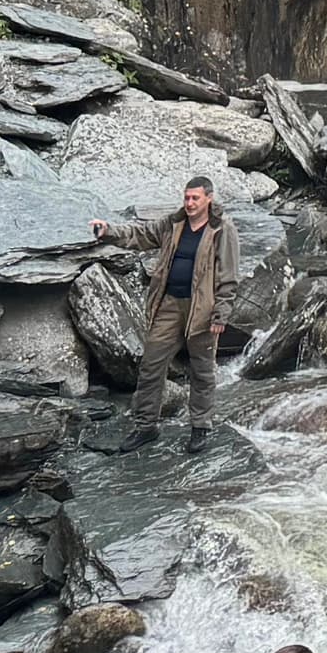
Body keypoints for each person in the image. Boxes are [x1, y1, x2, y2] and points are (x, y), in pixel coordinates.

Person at [87, 178, 240, 451]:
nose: (190, 203)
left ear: (209, 198)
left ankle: (200, 427)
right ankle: (146, 426)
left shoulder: (222, 229)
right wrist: (108, 231)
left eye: (195, 198)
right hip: (169, 304)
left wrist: (221, 314)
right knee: (151, 365)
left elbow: (229, 275)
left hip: (202, 310)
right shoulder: (174, 223)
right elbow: (141, 234)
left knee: (202, 371)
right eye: (187, 198)